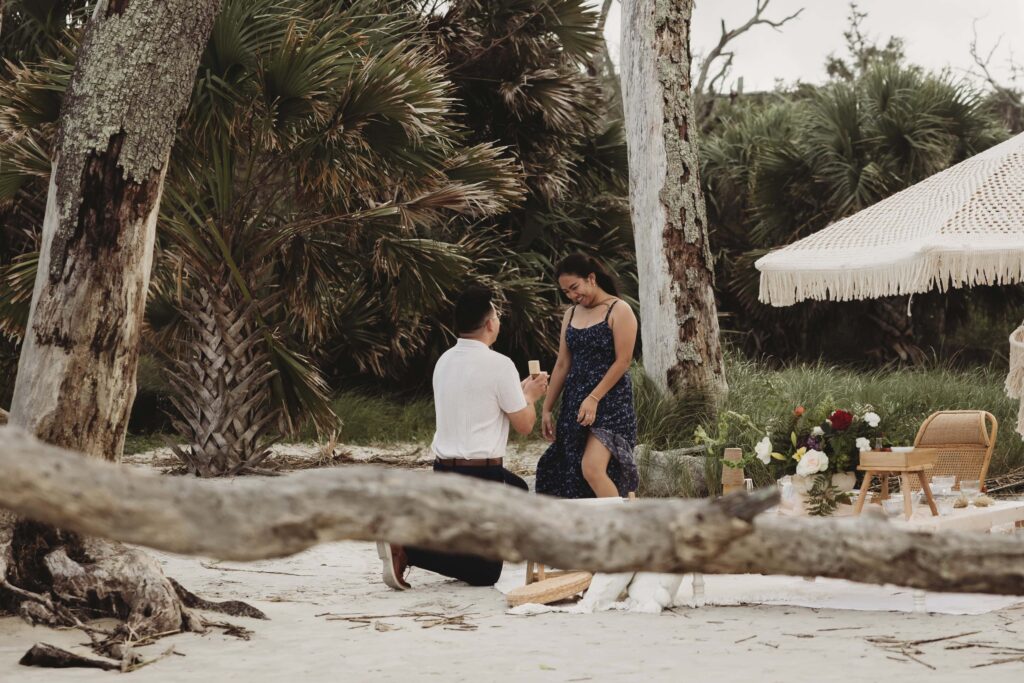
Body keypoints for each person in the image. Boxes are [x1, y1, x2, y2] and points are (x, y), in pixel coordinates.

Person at [378, 284, 548, 590]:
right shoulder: (500, 364)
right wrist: (531, 396)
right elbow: (524, 424)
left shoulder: (445, 361)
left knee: (518, 488)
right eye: (496, 314)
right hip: (479, 476)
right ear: (490, 324)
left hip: (444, 470)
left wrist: (520, 393)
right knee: (485, 575)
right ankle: (407, 546)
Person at [536, 253, 639, 499]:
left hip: (610, 402)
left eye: (574, 287)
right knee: (563, 469)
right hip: (575, 402)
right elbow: (562, 364)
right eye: (566, 292)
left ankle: (622, 528)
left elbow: (623, 361)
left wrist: (594, 397)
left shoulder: (619, 309)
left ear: (591, 278)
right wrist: (547, 408)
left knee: (592, 468)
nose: (572, 295)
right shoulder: (571, 314)